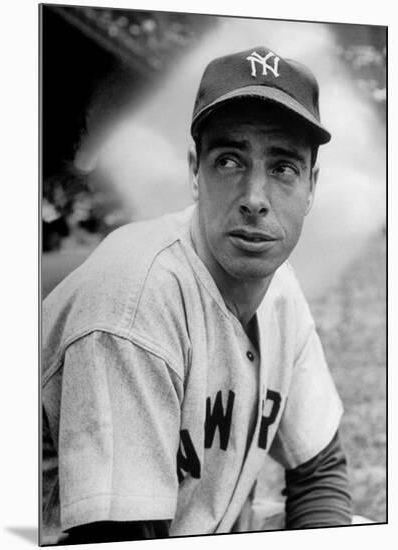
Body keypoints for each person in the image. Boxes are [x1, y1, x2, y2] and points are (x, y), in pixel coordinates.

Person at [41, 45, 352, 545]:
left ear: (311, 186)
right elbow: (116, 536)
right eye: (229, 160)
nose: (254, 198)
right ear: (194, 172)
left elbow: (321, 471)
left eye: (283, 167)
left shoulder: (281, 288)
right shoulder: (134, 305)